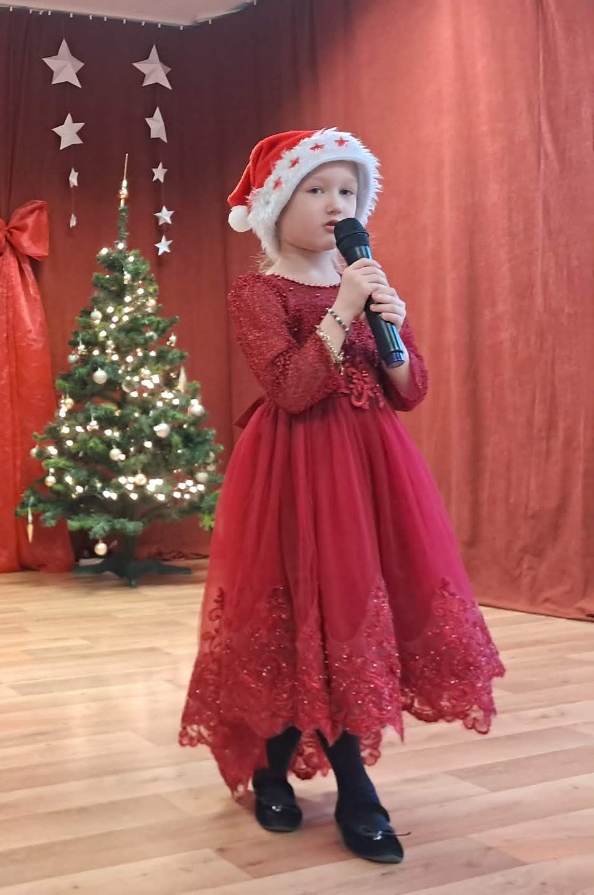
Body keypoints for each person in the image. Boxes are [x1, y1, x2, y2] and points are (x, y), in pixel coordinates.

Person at [178, 129, 505, 865]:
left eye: (348, 191)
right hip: (296, 471)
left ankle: (280, 770)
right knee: (302, 615)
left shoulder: (367, 280)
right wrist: (341, 309)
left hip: (371, 469)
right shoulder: (258, 291)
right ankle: (352, 791)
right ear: (276, 205)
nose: (337, 204)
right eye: (317, 189)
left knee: (354, 616)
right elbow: (290, 388)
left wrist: (388, 320)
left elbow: (411, 389)